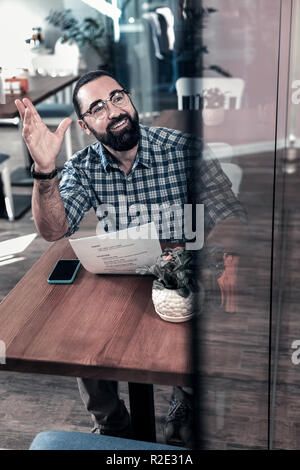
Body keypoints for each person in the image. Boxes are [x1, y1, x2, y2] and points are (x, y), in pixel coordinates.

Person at [15, 70, 247, 447]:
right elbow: (54, 230)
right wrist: (45, 171)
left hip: (180, 277)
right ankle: (110, 422)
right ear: (86, 126)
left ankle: (184, 404)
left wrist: (205, 262)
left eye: (118, 97)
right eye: (98, 108)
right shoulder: (84, 166)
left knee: (191, 344)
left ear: (130, 99)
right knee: (81, 331)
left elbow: (231, 214)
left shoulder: (185, 149)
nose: (114, 110)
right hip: (121, 272)